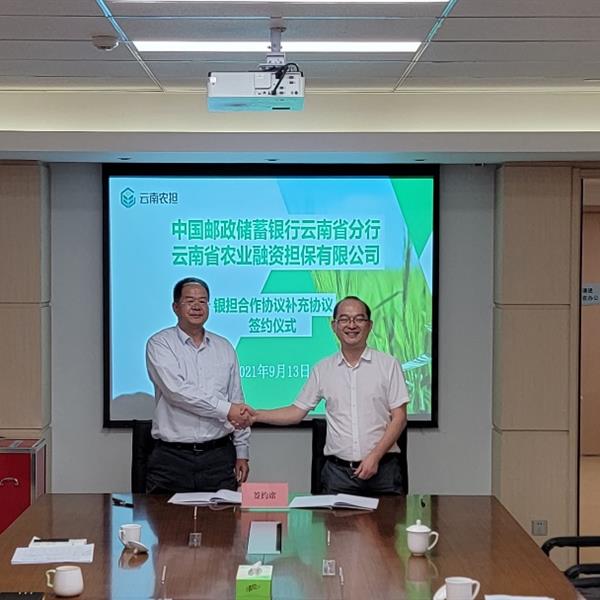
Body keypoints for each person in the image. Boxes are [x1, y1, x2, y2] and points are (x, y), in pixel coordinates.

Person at [250, 295, 409, 495]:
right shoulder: (323, 369)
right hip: (338, 475)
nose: (352, 325)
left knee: (388, 517)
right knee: (334, 518)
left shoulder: (388, 365)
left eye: (359, 319)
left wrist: (375, 456)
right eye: (344, 319)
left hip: (383, 471)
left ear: (369, 325)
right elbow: (296, 412)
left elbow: (399, 418)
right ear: (334, 326)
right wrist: (256, 415)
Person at [145, 277, 251, 494]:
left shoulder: (224, 347)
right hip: (172, 458)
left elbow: (236, 399)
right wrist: (226, 409)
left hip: (218, 456)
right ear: (175, 307)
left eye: (203, 301)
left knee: (223, 516)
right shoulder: (160, 344)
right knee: (165, 516)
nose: (197, 306)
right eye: (190, 301)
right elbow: (177, 392)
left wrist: (242, 451)